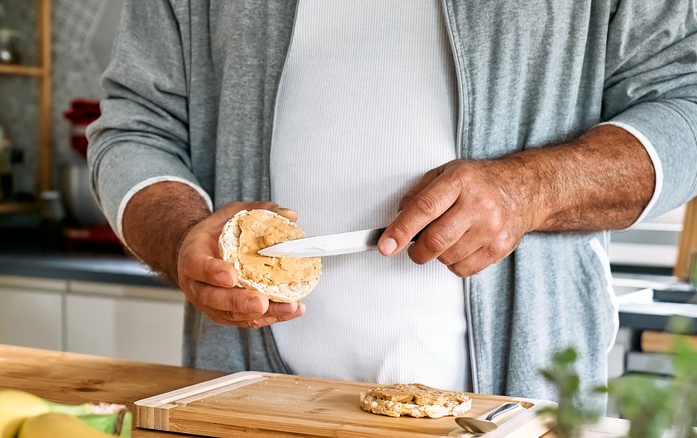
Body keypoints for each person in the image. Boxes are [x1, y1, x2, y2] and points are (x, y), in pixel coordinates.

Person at [87, 0, 697, 410]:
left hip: (516, 411)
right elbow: (137, 128)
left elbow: (686, 104)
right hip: (249, 406)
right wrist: (180, 235)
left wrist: (531, 189)